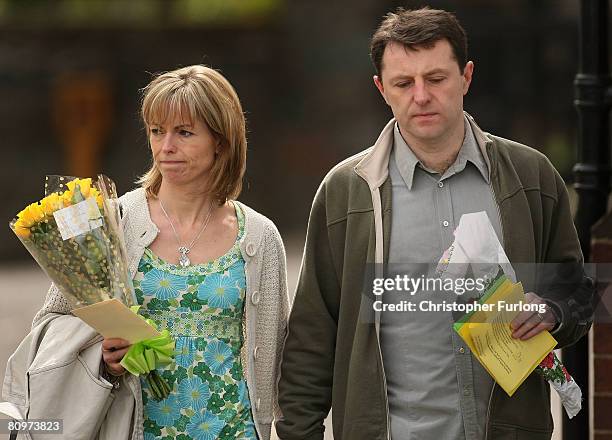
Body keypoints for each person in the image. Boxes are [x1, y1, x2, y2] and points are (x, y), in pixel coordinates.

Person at [276, 7, 593, 440]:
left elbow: (577, 289)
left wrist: (551, 311)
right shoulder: (346, 191)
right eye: (403, 83)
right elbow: (313, 336)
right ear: (381, 89)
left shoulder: (530, 176)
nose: (420, 96)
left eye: (436, 79)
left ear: (466, 77)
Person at [23, 65, 289, 440]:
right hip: (133, 429)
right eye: (157, 131)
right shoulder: (112, 220)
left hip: (234, 430)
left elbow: (279, 353)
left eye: (184, 133)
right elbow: (50, 324)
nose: (166, 147)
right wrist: (103, 356)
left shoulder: (259, 236)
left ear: (222, 141)